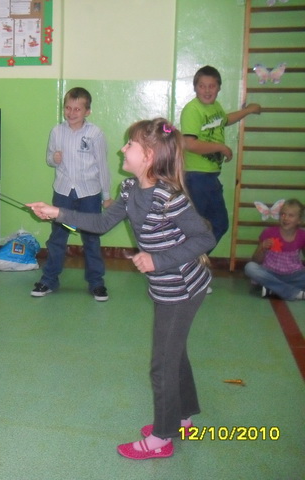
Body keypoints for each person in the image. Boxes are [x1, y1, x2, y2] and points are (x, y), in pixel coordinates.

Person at [27, 118, 216, 460]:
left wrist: (158, 260)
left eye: (129, 144)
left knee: (161, 363)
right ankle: (183, 418)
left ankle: (162, 438)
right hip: (166, 286)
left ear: (149, 155)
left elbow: (204, 238)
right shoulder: (130, 189)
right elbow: (100, 223)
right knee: (174, 353)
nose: (121, 149)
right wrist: (56, 212)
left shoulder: (168, 197)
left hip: (184, 287)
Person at [31, 87, 112, 301]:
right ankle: (49, 279)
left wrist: (106, 196)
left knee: (91, 238)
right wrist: (54, 159)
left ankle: (96, 282)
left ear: (87, 111)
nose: (71, 112)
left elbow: (103, 166)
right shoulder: (57, 131)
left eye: (77, 109)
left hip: (89, 194)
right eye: (68, 108)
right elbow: (49, 158)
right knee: (58, 237)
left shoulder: (95, 134)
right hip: (63, 192)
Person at [181, 65, 261, 249]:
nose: (207, 90)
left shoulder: (215, 107)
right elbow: (189, 144)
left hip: (210, 176)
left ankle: (193, 261)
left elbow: (225, 120)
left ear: (219, 88)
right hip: (196, 176)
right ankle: (186, 262)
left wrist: (247, 111)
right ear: (195, 88)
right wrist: (221, 147)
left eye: (212, 86)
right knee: (196, 228)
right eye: (202, 86)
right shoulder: (193, 109)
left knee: (219, 224)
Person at [244, 199, 305, 300]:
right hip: (270, 273)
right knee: (250, 267)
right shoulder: (269, 232)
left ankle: (273, 289)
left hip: (293, 275)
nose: (285, 218)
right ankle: (290, 292)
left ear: (299, 220)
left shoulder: (302, 235)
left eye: (291, 215)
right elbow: (255, 260)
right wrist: (262, 247)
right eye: (283, 214)